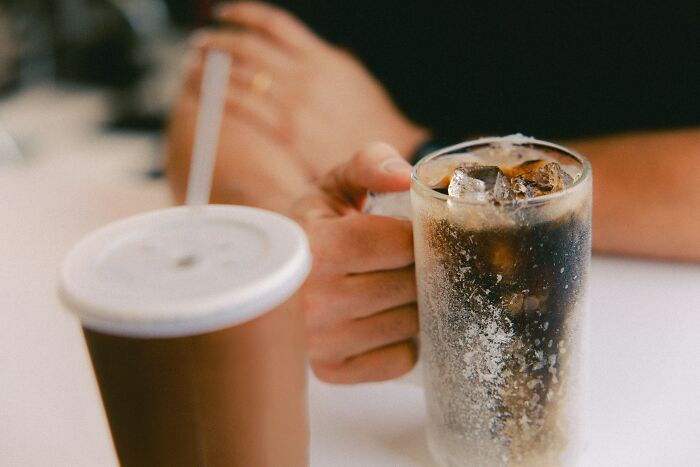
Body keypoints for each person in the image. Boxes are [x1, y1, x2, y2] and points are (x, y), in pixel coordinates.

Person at [166, 2, 700, 383]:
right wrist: (293, 244)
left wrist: (424, 151)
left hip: (657, 355)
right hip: (368, 373)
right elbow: (227, 82)